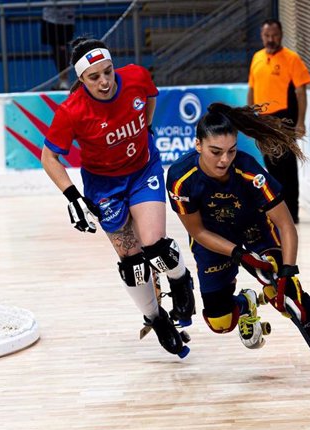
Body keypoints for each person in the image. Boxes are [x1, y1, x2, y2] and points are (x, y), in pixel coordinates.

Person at [165, 103, 310, 383]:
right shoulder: (181, 179)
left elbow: (286, 225)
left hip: (255, 234)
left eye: (231, 151)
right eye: (216, 152)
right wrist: (239, 255)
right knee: (219, 322)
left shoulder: (251, 172)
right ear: (198, 145)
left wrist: (288, 272)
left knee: (287, 295)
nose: (224, 160)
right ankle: (247, 302)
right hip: (213, 243)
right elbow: (199, 232)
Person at [41, 37, 196, 358]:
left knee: (157, 246)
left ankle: (181, 281)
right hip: (104, 187)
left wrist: (147, 128)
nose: (104, 81)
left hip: (143, 171)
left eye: (108, 72)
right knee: (133, 263)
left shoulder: (137, 77)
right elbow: (48, 156)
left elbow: (150, 98)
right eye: (94, 77)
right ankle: (156, 319)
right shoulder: (72, 111)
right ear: (81, 80)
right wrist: (73, 198)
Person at [247, 19, 310, 223]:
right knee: (271, 165)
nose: (270, 39)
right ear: (261, 36)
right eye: (267, 36)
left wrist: (300, 122)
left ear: (281, 35)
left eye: (274, 35)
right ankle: (276, 211)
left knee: (287, 166)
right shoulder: (257, 57)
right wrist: (251, 117)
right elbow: (252, 89)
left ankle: (292, 213)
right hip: (263, 120)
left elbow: (301, 92)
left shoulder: (291, 58)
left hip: (284, 118)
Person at [41, 4, 76, 90]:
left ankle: (64, 80)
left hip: (66, 18)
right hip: (50, 17)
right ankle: (62, 79)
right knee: (56, 48)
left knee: (62, 47)